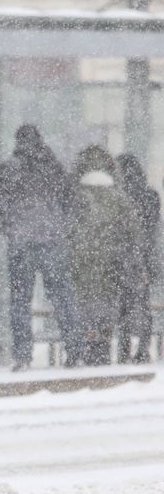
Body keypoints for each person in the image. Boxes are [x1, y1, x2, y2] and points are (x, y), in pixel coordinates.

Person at [0, 125, 83, 371]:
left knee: (20, 301)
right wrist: (62, 228)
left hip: (22, 245)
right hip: (53, 242)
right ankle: (74, 351)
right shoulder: (54, 167)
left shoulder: (9, 169)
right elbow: (72, 203)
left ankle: (22, 356)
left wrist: (10, 229)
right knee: (63, 298)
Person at [68, 146, 144, 366]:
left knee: (83, 303)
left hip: (80, 261)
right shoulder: (118, 197)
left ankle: (88, 344)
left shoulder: (75, 195)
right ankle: (102, 345)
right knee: (107, 304)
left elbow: (66, 228)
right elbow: (134, 231)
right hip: (110, 260)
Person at [113, 154, 159, 362]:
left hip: (123, 258)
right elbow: (152, 228)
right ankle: (142, 349)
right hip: (143, 259)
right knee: (141, 304)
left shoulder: (119, 195)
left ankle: (124, 349)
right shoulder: (150, 195)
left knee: (124, 306)